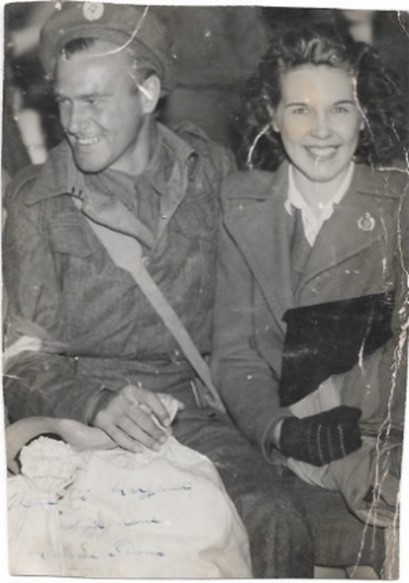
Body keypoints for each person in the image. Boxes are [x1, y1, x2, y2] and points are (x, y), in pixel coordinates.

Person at [2, 3, 314, 577]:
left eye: (94, 100)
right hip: (86, 430)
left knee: (274, 519)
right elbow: (21, 361)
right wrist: (95, 405)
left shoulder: (211, 172)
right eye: (65, 101)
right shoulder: (35, 202)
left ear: (147, 93)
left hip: (196, 417)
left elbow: (265, 303)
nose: (74, 121)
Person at [212, 22, 408, 530]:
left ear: (363, 118)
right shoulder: (242, 209)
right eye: (300, 109)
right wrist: (281, 431)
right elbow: (235, 356)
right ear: (274, 118)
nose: (321, 131)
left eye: (339, 109)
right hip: (293, 454)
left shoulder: (399, 208)